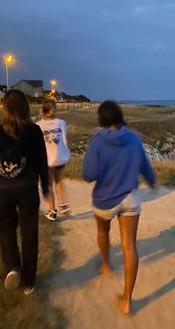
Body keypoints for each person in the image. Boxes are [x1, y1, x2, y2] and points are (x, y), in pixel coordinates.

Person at [83, 100, 156, 315]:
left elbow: (88, 174)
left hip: (104, 200)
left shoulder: (97, 140)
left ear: (101, 119)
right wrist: (152, 182)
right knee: (129, 246)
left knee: (102, 231)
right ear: (120, 116)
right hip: (130, 199)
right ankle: (126, 301)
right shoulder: (133, 138)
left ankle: (106, 264)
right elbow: (145, 166)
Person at [0, 90, 48, 294]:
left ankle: (12, 268)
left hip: (5, 188)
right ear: (26, 107)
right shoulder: (33, 130)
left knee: (5, 229)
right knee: (29, 233)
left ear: (5, 108)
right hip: (27, 189)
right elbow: (42, 161)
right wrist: (45, 186)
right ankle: (28, 282)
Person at [37, 99, 71, 221]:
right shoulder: (61, 122)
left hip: (48, 159)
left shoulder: (39, 125)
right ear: (55, 109)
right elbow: (64, 138)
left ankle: (52, 211)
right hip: (60, 157)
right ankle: (63, 202)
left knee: (49, 184)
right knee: (58, 181)